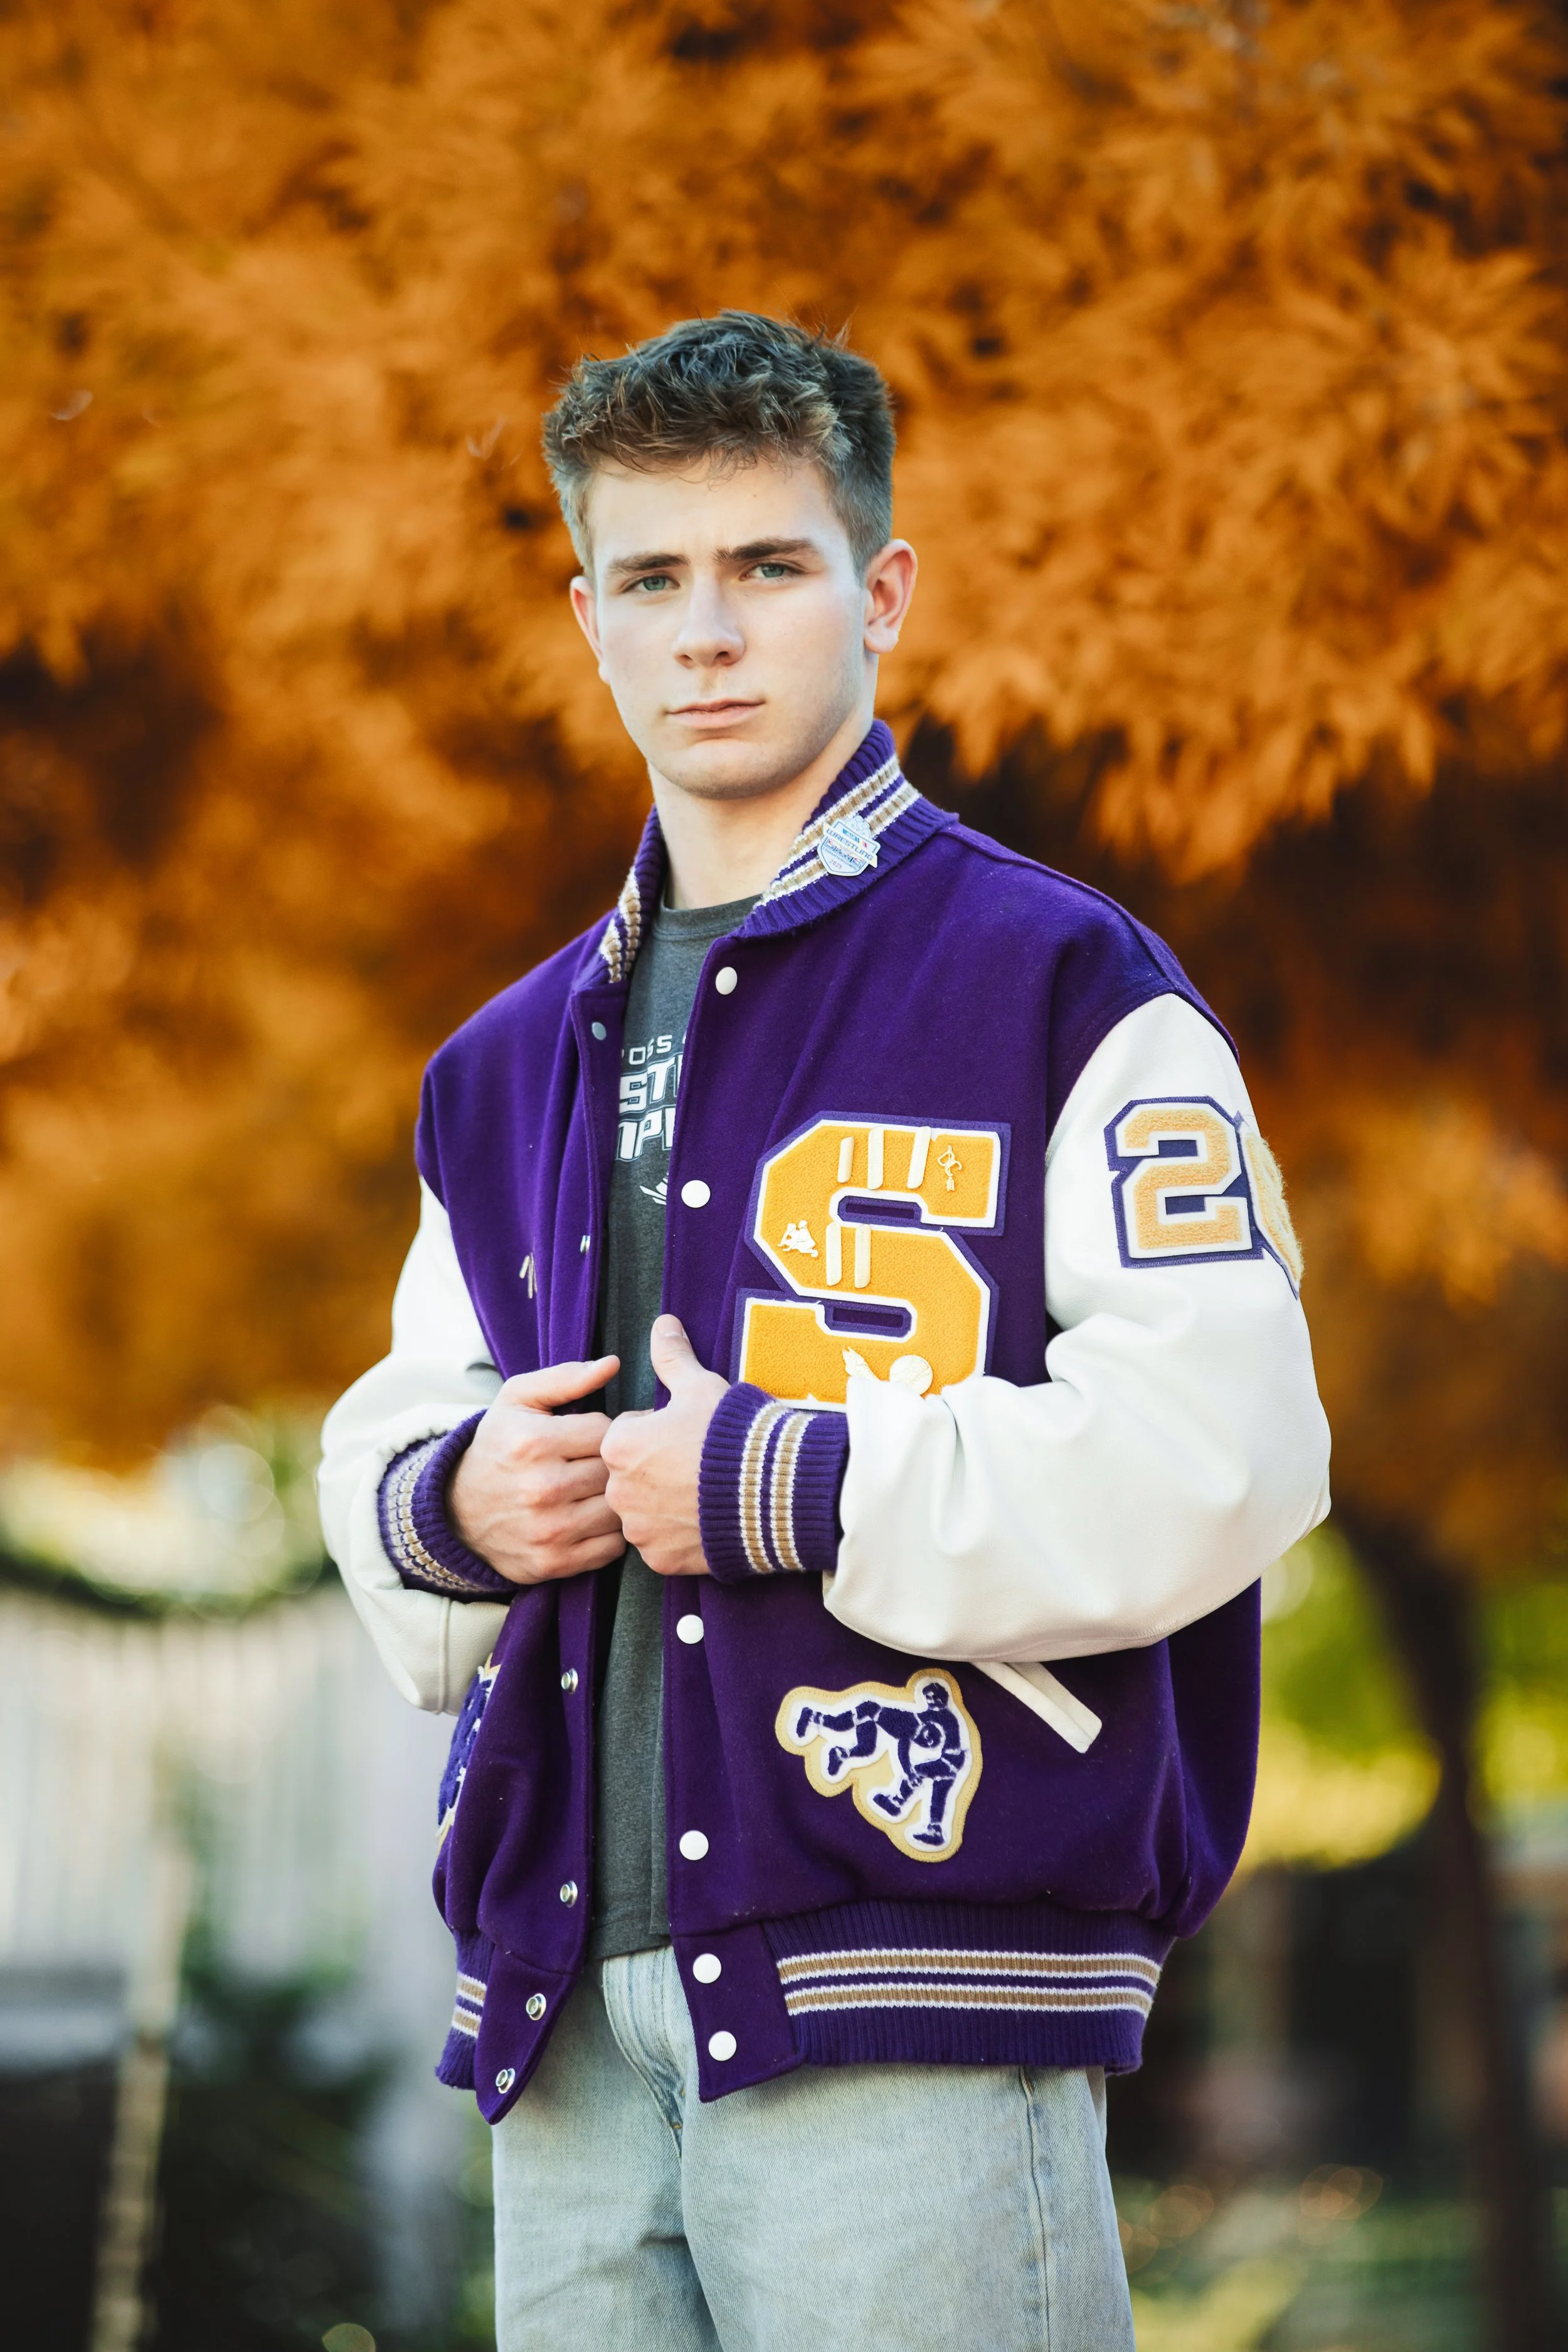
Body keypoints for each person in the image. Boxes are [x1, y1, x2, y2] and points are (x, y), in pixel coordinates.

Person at [319, 310, 1330, 2351]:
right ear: (582, 610)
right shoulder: (499, 1063)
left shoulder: (1066, 982)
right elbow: (404, 1420)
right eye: (652, 578)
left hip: (919, 1976)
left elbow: (1230, 1449)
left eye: (767, 567)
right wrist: (450, 1502)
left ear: (878, 591)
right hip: (563, 2010)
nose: (707, 632)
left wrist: (797, 1479)